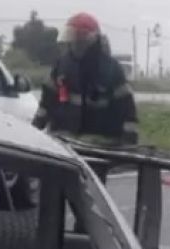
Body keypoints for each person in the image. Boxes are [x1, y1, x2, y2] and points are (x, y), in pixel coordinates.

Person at [32, 12, 138, 149]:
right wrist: (32, 133)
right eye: (72, 40)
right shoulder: (61, 66)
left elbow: (127, 111)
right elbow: (45, 105)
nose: (73, 44)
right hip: (63, 148)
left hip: (100, 150)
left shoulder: (111, 70)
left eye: (77, 39)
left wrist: (129, 146)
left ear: (88, 40)